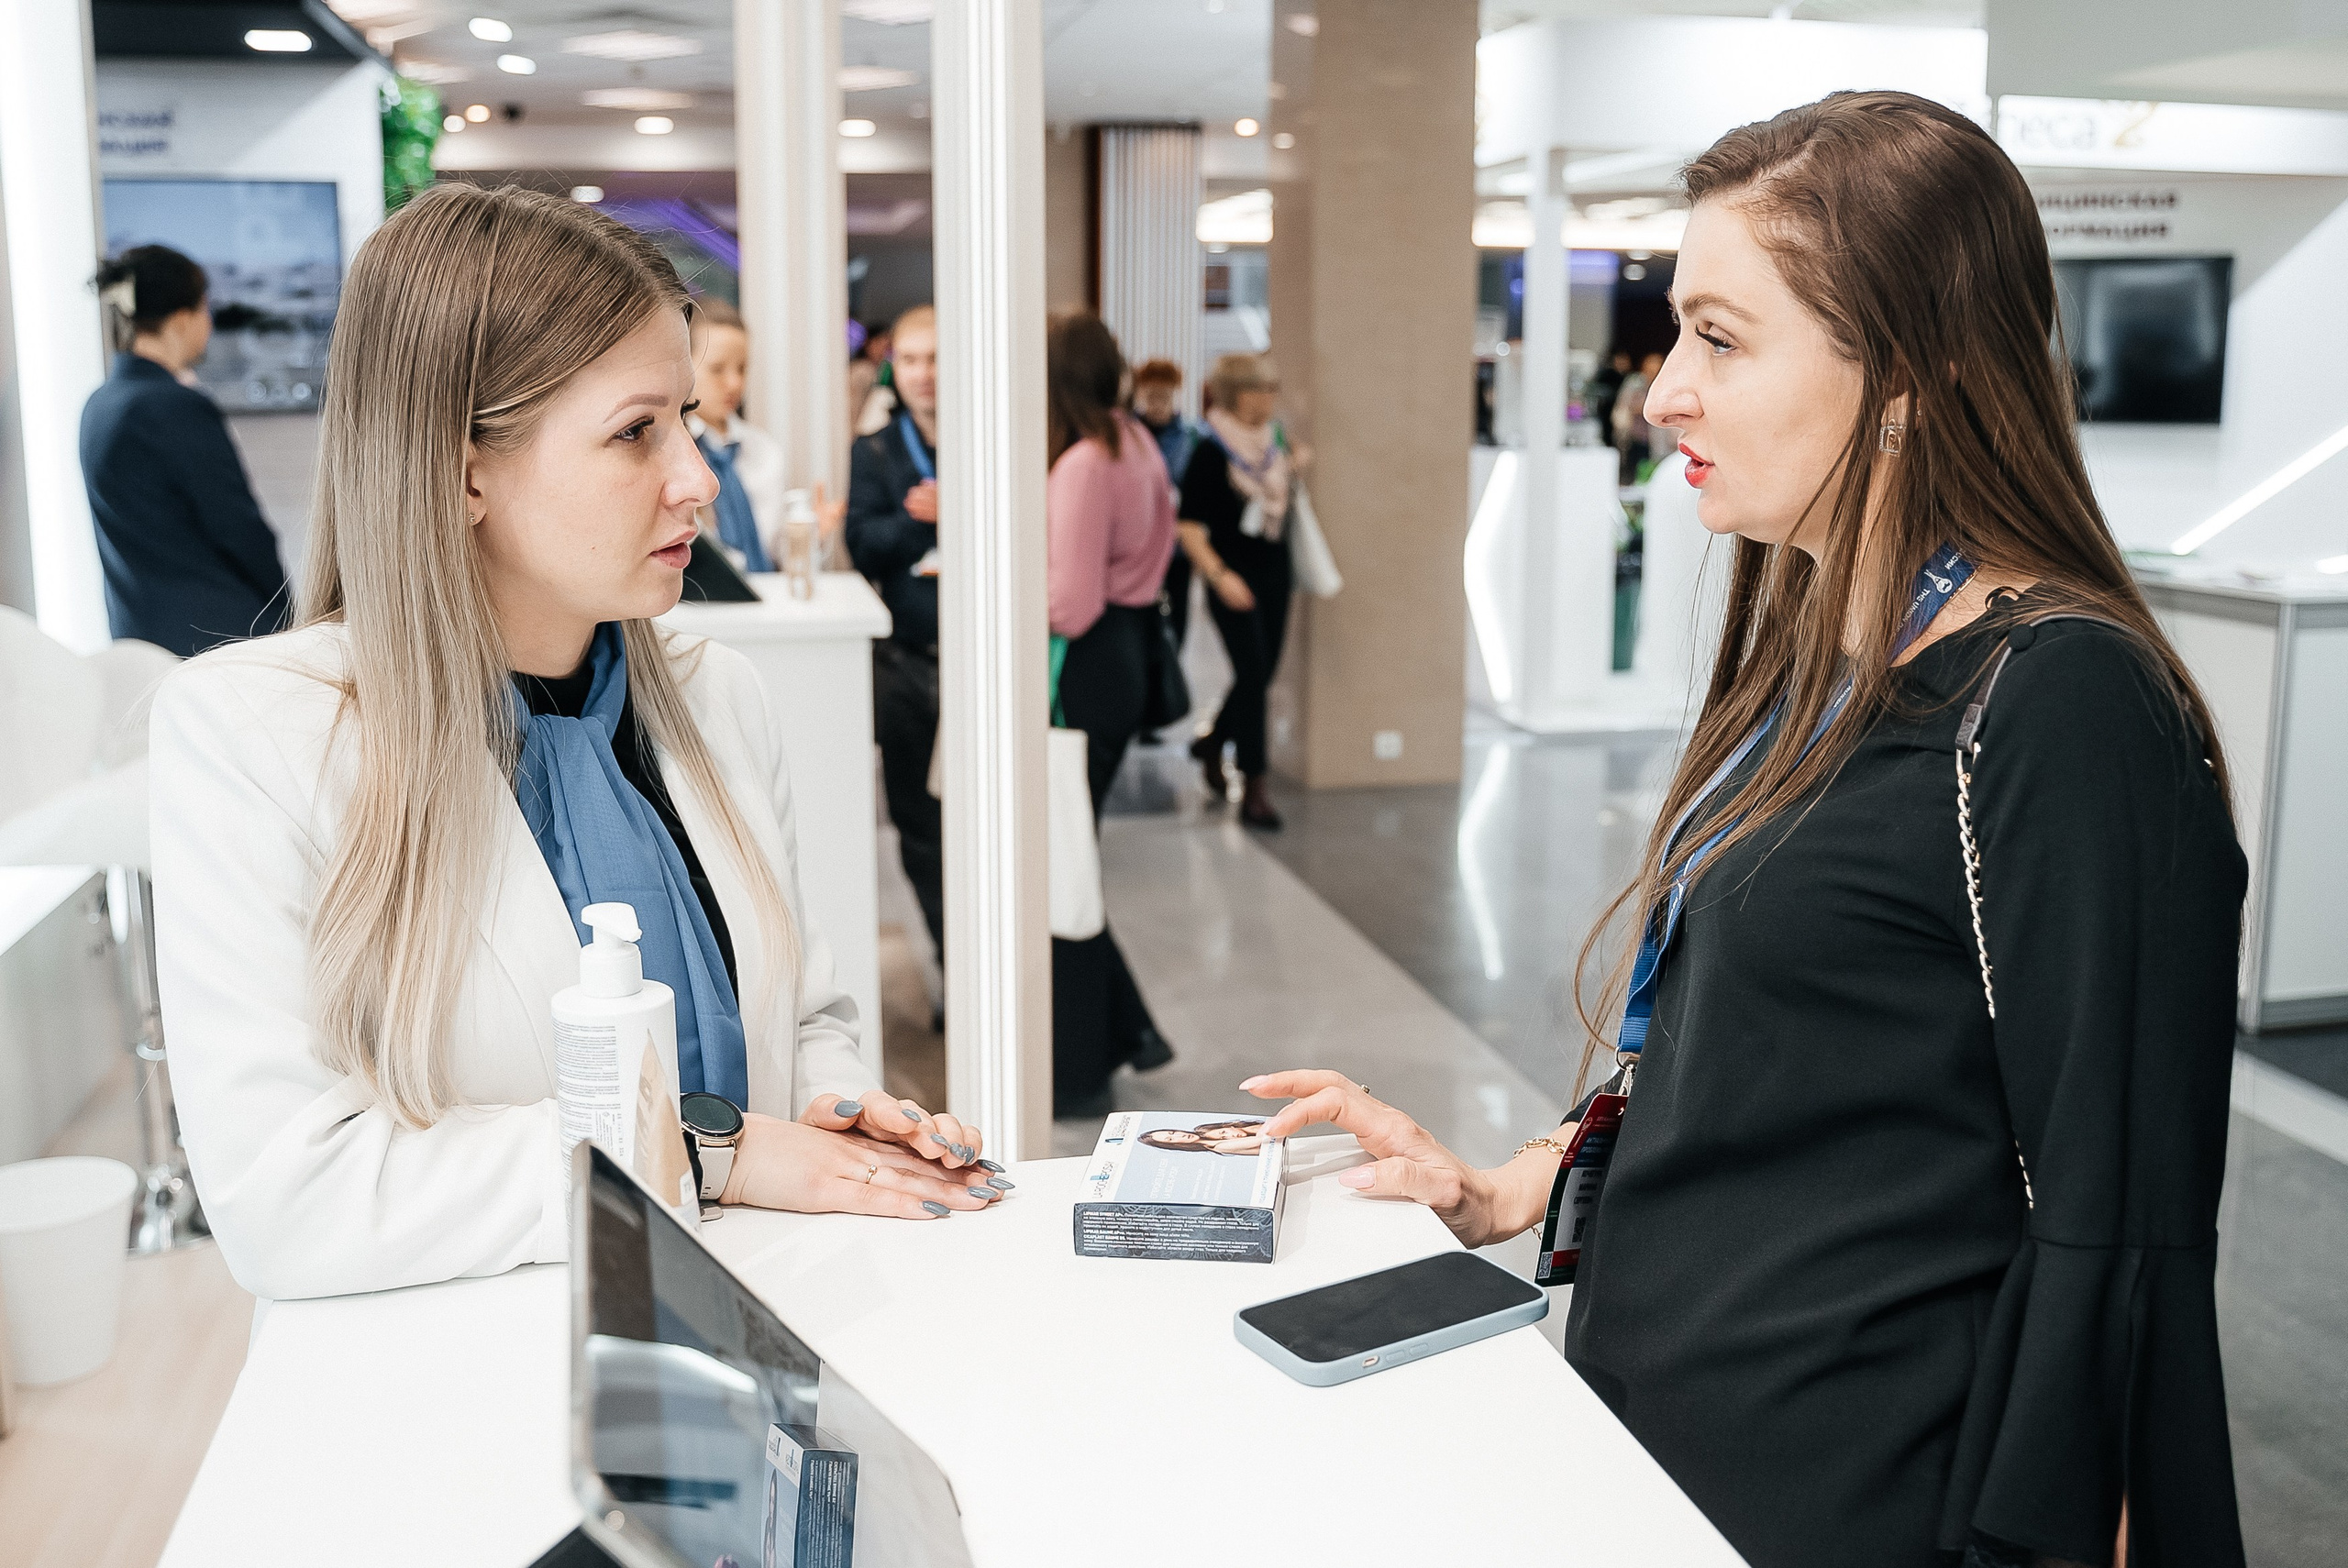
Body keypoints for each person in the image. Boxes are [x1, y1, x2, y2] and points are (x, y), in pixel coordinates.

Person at [1243, 91, 2245, 1568]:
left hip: (1865, 1493)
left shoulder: (2064, 704)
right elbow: (1776, 1066)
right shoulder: (1828, 654)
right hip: (1666, 1446)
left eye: (1720, 339)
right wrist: (1512, 1183)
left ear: (1909, 375)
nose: (1662, 395)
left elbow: (2120, 1228)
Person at [147, 188, 998, 1305]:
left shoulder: (719, 696)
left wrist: (835, 1114)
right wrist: (709, 1151)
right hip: (471, 1373)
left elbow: (803, 1015)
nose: (698, 478)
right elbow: (290, 1199)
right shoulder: (257, 737)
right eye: (637, 432)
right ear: (462, 471)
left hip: (768, 1314)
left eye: (687, 417)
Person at [1045, 313, 1179, 1110]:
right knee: (1071, 859)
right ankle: (1126, 1031)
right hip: (1126, 658)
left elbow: (1069, 604)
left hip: (1087, 666)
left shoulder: (1085, 462)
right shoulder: (1134, 440)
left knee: (1061, 867)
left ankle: (1082, 1065)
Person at [79, 245, 290, 657]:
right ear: (180, 320)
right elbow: (241, 532)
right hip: (219, 646)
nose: (209, 323)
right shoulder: (174, 407)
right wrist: (292, 618)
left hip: (143, 646)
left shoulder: (99, 405)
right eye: (205, 309)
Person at [845, 304, 946, 962]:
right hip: (908, 661)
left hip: (984, 664)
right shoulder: (876, 450)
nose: (922, 374)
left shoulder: (995, 440)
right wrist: (922, 521)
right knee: (919, 827)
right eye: (909, 360)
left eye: (935, 359)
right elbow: (863, 545)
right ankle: (953, 962)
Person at [1176, 353, 1294, 831]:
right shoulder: (1210, 450)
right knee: (1251, 673)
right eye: (1263, 388)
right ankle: (1255, 786)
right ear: (1237, 394)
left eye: (1273, 388)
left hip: (1274, 571)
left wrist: (1298, 463)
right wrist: (1220, 576)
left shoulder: (1275, 444)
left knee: (1261, 674)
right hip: (1230, 575)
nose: (1271, 398)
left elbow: (1279, 493)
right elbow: (1188, 526)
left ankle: (1210, 742)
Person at [685, 297, 782, 571]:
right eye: (717, 369)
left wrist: (812, 535)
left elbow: (774, 548)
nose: (734, 383)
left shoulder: (763, 450)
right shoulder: (674, 452)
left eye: (742, 368)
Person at [1128, 357, 1204, 651]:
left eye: (1164, 396)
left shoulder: (1192, 437)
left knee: (1176, 625)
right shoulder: (1128, 435)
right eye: (1152, 396)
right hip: (1137, 543)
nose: (1158, 404)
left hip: (1176, 547)